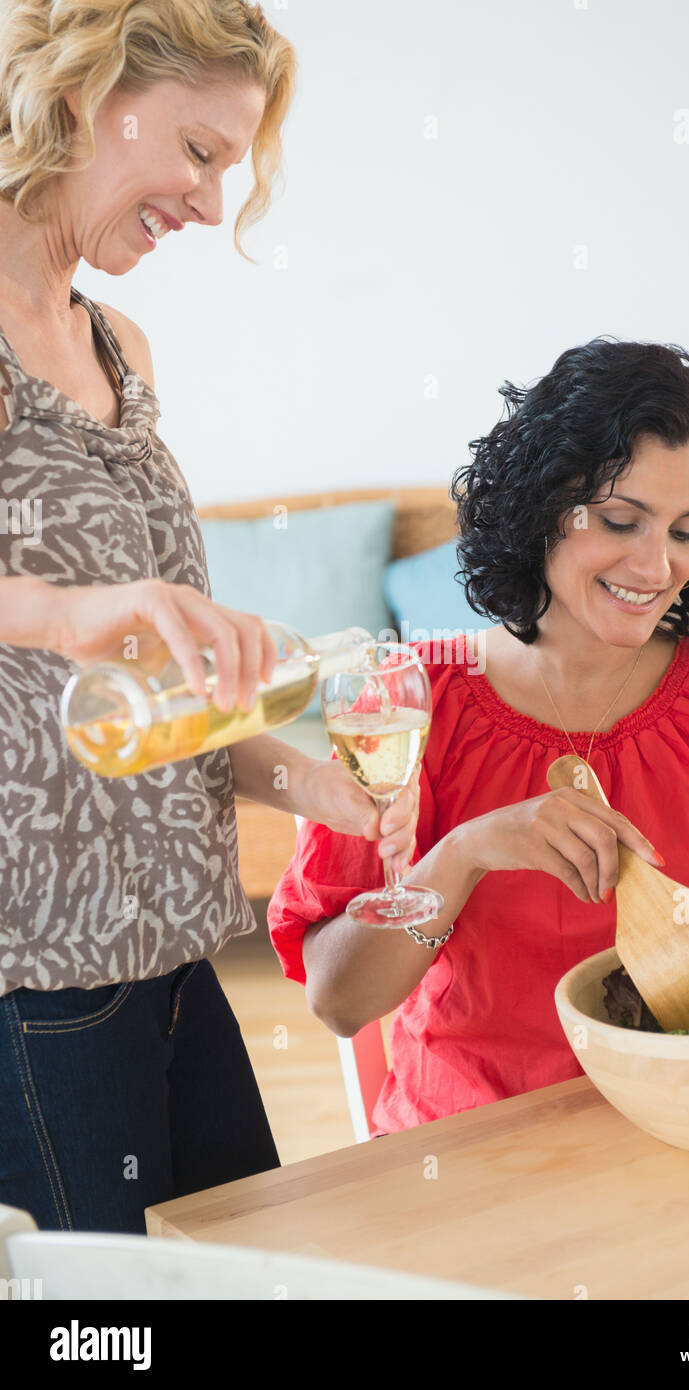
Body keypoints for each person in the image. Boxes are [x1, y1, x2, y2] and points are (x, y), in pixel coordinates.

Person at [0, 1, 416, 1233]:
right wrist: (80, 611)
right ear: (85, 97)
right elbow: (85, 630)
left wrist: (314, 789)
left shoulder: (114, 343)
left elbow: (160, 702)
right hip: (44, 968)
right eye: (196, 151)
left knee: (243, 1272)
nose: (210, 199)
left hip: (178, 951)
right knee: (107, 1330)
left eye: (228, 166)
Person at [268, 338, 689, 1136]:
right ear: (544, 506)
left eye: (687, 531)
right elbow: (340, 1002)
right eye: (621, 521)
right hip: (473, 1142)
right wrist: (467, 853)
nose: (655, 566)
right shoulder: (412, 703)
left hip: (685, 1128)